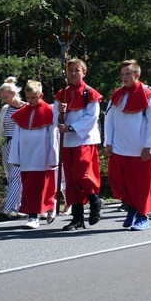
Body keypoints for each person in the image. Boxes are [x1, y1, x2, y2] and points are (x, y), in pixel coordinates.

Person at [104, 60, 151, 231]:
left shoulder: (147, 94)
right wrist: (108, 142)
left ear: (137, 75)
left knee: (141, 184)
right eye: (122, 74)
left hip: (140, 149)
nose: (124, 77)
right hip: (120, 147)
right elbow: (109, 119)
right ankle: (131, 209)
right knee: (120, 181)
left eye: (128, 74)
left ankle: (143, 216)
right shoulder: (117, 95)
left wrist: (149, 146)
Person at [53, 58, 105, 231]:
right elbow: (55, 117)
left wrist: (71, 127)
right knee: (71, 179)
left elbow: (92, 117)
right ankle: (77, 218)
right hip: (67, 142)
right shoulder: (63, 93)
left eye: (77, 70)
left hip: (84, 139)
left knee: (82, 174)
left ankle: (94, 200)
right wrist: (60, 114)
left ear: (84, 72)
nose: (74, 73)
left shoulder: (89, 93)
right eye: (71, 70)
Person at [8, 80, 59, 229]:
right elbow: (16, 137)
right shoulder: (21, 114)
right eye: (28, 98)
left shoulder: (49, 112)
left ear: (41, 95)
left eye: (33, 98)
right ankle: (32, 216)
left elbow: (53, 137)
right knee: (29, 186)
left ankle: (49, 206)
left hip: (43, 155)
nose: (30, 101)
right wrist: (15, 157)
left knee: (44, 185)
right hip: (27, 156)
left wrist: (54, 156)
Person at [0, 77, 26, 219]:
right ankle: (20, 207)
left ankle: (8, 209)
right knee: (12, 178)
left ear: (13, 93)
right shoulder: (5, 109)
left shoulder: (27, 107)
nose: (4, 100)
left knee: (16, 176)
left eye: (5, 97)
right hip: (8, 145)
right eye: (2, 98)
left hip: (22, 146)